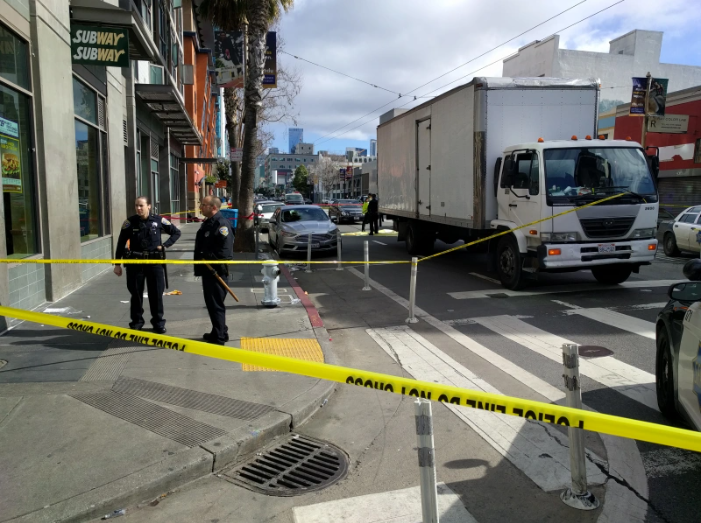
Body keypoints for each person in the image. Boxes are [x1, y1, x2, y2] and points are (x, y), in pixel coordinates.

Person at [114, 196, 181, 333]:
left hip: (154, 263)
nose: (138, 208)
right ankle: (137, 322)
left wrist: (165, 245)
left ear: (149, 206)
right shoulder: (129, 223)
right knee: (136, 294)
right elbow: (121, 243)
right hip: (135, 263)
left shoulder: (158, 220)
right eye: (136, 206)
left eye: (141, 206)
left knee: (156, 294)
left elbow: (176, 232)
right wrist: (117, 263)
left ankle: (158, 323)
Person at [194, 196, 234, 345]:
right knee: (212, 304)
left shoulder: (221, 225)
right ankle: (219, 330)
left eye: (204, 205)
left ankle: (219, 337)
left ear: (214, 208)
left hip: (216, 272)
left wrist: (205, 255)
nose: (201, 207)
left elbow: (225, 252)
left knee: (216, 304)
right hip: (207, 271)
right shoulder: (209, 223)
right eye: (201, 204)